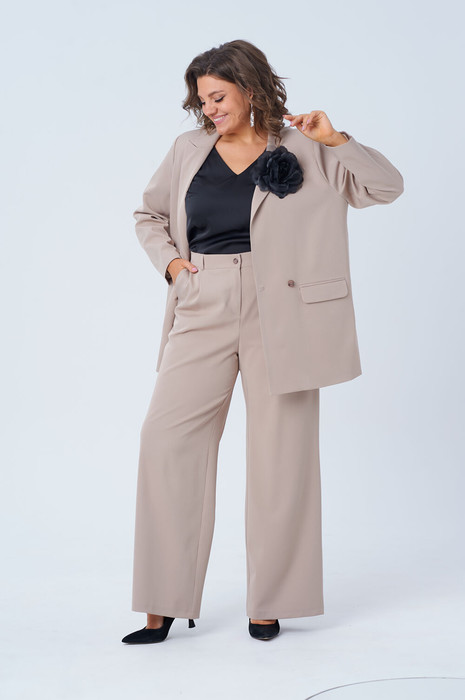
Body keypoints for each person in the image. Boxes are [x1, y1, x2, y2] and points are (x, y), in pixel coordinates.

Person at [121, 39, 404, 645]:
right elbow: (149, 215)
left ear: (251, 89)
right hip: (203, 298)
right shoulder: (188, 150)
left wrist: (337, 139)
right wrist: (173, 266)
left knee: (282, 456)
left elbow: (386, 187)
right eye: (203, 101)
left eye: (219, 97)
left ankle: (271, 602)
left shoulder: (307, 145)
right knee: (166, 439)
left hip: (287, 310)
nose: (210, 110)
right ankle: (161, 601)